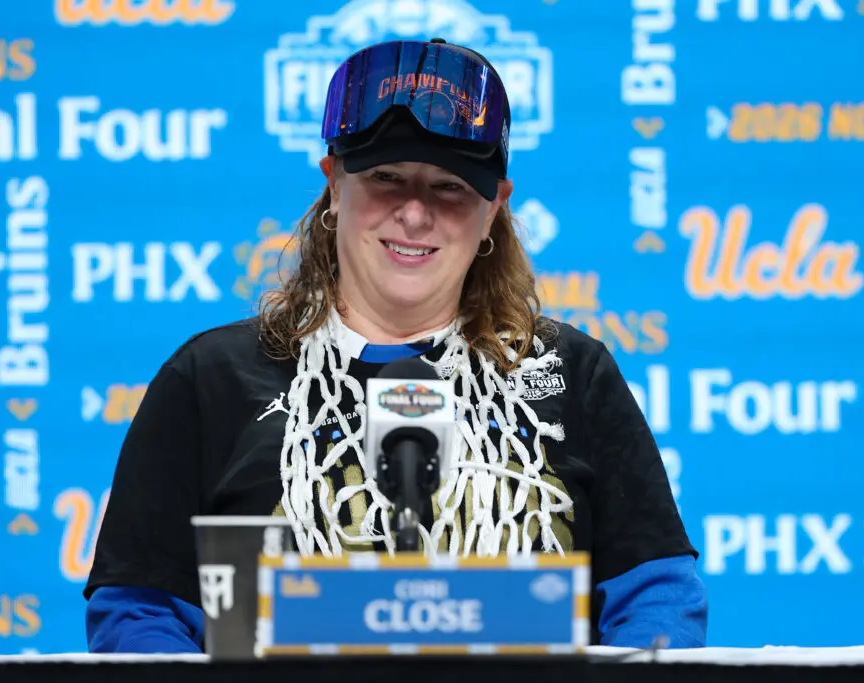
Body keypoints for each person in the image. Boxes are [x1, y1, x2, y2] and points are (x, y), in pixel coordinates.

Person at [83, 37, 708, 653]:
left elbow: (658, 600)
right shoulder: (212, 378)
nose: (414, 214)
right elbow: (139, 612)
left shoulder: (570, 374)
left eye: (451, 187)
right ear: (333, 183)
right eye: (386, 177)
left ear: (495, 209)